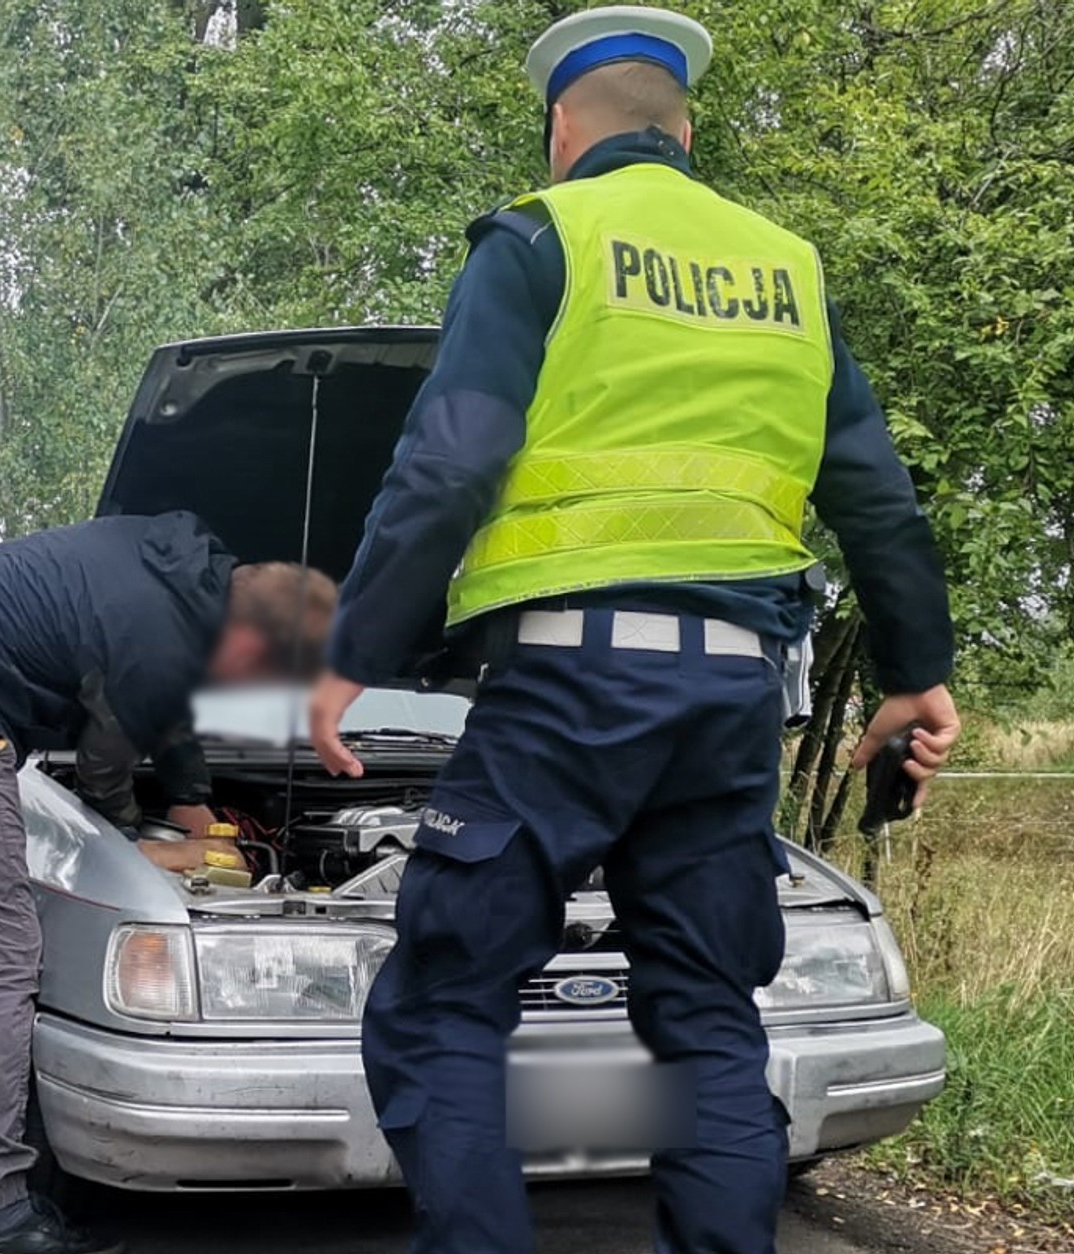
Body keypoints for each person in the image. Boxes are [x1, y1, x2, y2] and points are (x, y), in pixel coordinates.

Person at [307, 8, 960, 1253]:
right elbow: (874, 493)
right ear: (685, 130)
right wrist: (915, 673)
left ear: (561, 129)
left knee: (441, 1008)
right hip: (730, 703)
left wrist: (351, 654)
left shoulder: (542, 235)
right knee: (706, 1019)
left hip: (563, 684)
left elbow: (448, 463)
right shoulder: (787, 268)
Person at [0, 510, 336, 1254]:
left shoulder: (182, 564)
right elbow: (104, 769)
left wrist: (192, 799)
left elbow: (164, 694)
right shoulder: (163, 635)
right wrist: (137, 842)